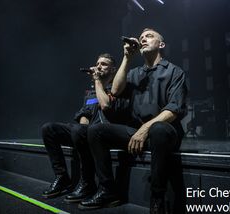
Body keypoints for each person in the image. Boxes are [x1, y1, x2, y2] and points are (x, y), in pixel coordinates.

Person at [79, 28, 187, 213]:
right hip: (136, 132)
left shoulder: (174, 71)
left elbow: (174, 109)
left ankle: (157, 198)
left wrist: (146, 128)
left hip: (164, 131)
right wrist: (127, 57)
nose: (143, 39)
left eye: (149, 36)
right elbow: (115, 91)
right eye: (142, 37)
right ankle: (107, 189)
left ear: (161, 44)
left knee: (159, 129)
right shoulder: (134, 73)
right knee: (95, 130)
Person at [41, 53, 129, 203]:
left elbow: (106, 105)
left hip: (105, 133)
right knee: (49, 129)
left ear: (113, 70)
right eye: (97, 63)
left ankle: (88, 183)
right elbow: (84, 114)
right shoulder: (91, 91)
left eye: (104, 64)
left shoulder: (118, 88)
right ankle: (61, 177)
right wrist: (81, 131)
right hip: (87, 133)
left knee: (82, 130)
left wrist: (97, 81)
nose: (98, 66)